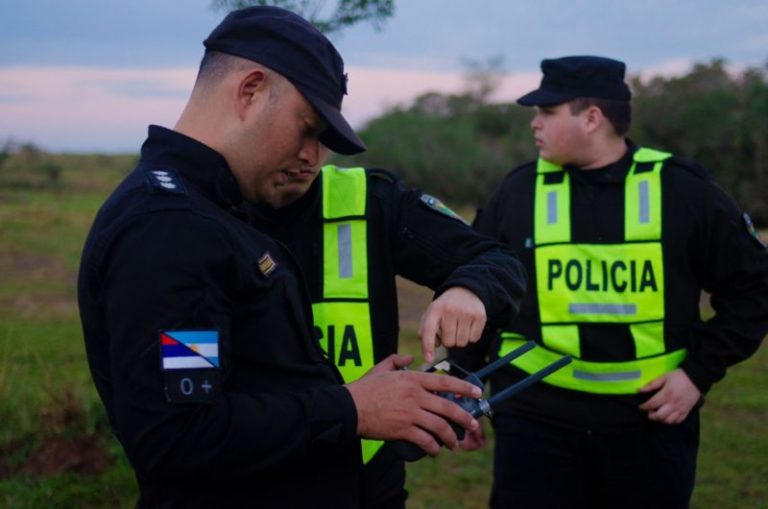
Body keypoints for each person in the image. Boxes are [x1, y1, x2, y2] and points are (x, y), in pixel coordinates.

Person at [77, 7, 486, 508]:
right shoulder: (169, 228)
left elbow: (254, 382)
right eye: (308, 128)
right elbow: (177, 437)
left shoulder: (222, 207)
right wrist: (352, 408)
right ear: (249, 91)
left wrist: (360, 396)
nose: (313, 158)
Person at [452, 55, 768, 508]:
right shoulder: (518, 191)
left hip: (649, 427)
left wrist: (697, 374)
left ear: (592, 118)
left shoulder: (683, 190)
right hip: (534, 423)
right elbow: (479, 292)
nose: (534, 124)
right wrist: (460, 391)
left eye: (547, 112)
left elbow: (754, 288)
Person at [251, 149, 527, 507]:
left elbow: (496, 257)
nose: (311, 153)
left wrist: (471, 286)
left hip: (366, 479)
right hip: (255, 476)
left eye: (325, 134)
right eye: (301, 126)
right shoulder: (201, 210)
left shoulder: (373, 198)